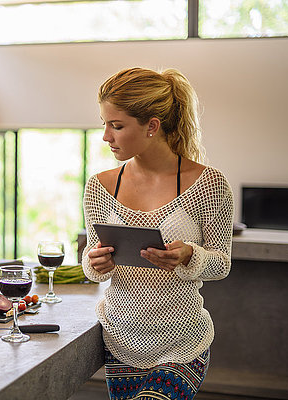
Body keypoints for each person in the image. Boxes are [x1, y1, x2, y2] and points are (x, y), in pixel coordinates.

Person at [82, 67, 233, 400]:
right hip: (120, 342)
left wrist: (190, 254)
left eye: (116, 126)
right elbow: (92, 261)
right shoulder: (99, 186)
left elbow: (221, 263)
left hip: (183, 344)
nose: (106, 136)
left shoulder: (209, 184)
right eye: (104, 124)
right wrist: (94, 263)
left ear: (152, 126)